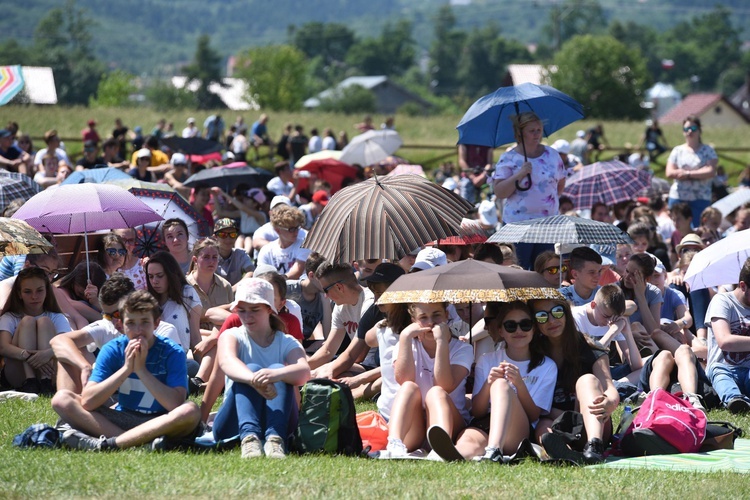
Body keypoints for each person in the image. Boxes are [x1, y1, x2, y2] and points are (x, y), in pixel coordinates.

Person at [51, 290, 201, 451]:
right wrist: (126, 369)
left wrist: (141, 370)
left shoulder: (171, 352)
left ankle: (113, 444)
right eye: (131, 323)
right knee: (62, 399)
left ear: (156, 323)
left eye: (145, 322)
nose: (138, 330)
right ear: (120, 325)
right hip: (122, 417)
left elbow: (175, 405)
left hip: (160, 421)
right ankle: (136, 443)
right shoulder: (113, 349)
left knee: (190, 410)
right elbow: (88, 401)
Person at [431, 301, 556, 462]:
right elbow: (477, 411)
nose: (518, 331)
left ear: (534, 329)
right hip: (485, 423)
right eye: (511, 326)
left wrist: (519, 384)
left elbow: (533, 415)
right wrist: (488, 384)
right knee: (468, 443)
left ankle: (494, 450)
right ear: (501, 331)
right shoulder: (487, 360)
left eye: (525, 325)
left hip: (518, 429)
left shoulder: (546, 366)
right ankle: (452, 455)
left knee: (501, 385)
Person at [212, 279, 310, 458]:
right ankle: (249, 438)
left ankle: (275, 439)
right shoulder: (231, 335)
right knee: (251, 369)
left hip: (280, 420)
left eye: (255, 310)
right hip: (233, 424)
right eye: (241, 310)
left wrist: (274, 374)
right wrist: (253, 379)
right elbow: (227, 362)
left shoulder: (286, 341)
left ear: (269, 310)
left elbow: (304, 372)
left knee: (278, 369)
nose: (247, 317)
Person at [51, 273, 181, 394]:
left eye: (118, 314)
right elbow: (60, 341)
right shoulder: (106, 326)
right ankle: (69, 407)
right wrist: (84, 366)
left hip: (143, 392)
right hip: (109, 391)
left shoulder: (163, 330)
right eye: (108, 315)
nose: (115, 321)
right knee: (67, 356)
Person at [530, 298, 618, 464]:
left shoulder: (590, 348)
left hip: (592, 422)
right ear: (535, 323)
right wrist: (564, 417)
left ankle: (594, 447)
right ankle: (568, 455)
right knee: (543, 427)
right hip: (557, 424)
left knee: (587, 380)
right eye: (542, 316)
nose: (551, 320)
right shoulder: (533, 353)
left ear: (567, 313)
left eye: (557, 312)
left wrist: (610, 402)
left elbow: (610, 389)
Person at [381, 302, 473, 457]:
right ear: (413, 321)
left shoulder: (463, 349)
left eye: (437, 315)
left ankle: (442, 447)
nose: (431, 322)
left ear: (446, 316)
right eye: (423, 317)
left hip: (450, 420)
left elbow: (444, 385)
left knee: (436, 392)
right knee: (409, 386)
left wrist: (442, 342)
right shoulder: (406, 344)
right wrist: (404, 337)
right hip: (415, 426)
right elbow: (403, 379)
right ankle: (395, 442)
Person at [491, 112, 566, 270]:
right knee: (519, 268)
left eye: (539, 130)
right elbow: (499, 192)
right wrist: (519, 174)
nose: (537, 134)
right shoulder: (509, 158)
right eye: (532, 130)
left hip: (546, 224)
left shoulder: (552, 155)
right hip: (518, 225)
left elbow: (560, 182)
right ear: (520, 132)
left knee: (545, 269)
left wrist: (548, 202)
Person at [0, 267, 72, 395]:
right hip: (18, 373)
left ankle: (45, 381)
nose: (34, 296)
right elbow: (3, 347)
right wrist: (29, 356)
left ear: (46, 291)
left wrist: (47, 354)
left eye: (39, 291)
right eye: (28, 292)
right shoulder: (10, 317)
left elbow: (68, 345)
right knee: (27, 321)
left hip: (51, 372)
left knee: (45, 322)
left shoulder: (57, 317)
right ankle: (30, 381)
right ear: (19, 294)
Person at [571, 285, 643, 383]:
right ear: (593, 305)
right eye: (606, 316)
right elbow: (585, 363)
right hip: (583, 377)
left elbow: (636, 366)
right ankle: (616, 387)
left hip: (606, 373)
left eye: (614, 317)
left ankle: (616, 386)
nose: (609, 321)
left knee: (645, 369)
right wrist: (612, 332)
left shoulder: (614, 319)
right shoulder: (575, 318)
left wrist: (627, 333)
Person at [706, 257, 750, 413]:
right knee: (719, 371)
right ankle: (735, 401)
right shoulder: (722, 301)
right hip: (725, 368)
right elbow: (725, 341)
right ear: (743, 286)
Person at [308, 262, 367, 370]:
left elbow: (359, 356)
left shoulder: (369, 303)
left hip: (372, 366)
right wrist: (298, 369)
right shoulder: (340, 306)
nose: (325, 296)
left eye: (326, 290)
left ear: (339, 287)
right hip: (353, 363)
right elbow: (328, 351)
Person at [144, 251, 202, 358]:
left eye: (159, 276)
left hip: (180, 359)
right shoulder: (146, 300)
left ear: (171, 274)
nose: (154, 281)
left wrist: (201, 371)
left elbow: (195, 337)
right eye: (150, 276)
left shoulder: (187, 293)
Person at [665, 115, 718, 228]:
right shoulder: (678, 150)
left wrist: (687, 174)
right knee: (676, 227)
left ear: (699, 130)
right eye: (686, 129)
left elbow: (711, 171)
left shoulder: (708, 150)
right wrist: (699, 172)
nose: (689, 132)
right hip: (679, 196)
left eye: (693, 129)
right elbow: (669, 172)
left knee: (699, 228)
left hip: (700, 197)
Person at [255, 205, 310, 279]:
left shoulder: (304, 245)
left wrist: (277, 282)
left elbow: (297, 272)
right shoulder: (266, 250)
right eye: (291, 229)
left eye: (297, 228)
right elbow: (261, 276)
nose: (296, 232)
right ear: (278, 230)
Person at [213, 187, 267, 254]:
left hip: (254, 240)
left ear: (255, 204)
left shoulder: (261, 215)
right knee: (240, 238)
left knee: (248, 239)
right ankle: (237, 256)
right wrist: (215, 196)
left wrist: (223, 194)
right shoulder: (243, 213)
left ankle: (245, 256)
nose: (244, 200)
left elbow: (242, 207)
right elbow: (220, 213)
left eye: (247, 199)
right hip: (243, 236)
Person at [211, 218, 255, 286]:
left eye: (232, 234)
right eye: (223, 235)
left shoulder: (240, 254)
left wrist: (231, 290)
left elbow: (251, 272)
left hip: (236, 294)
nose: (228, 239)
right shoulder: (209, 256)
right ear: (215, 237)